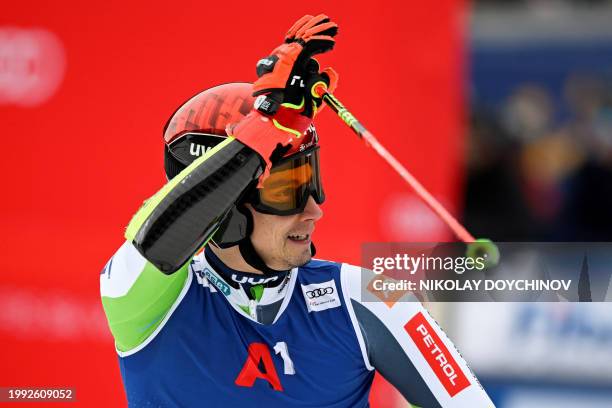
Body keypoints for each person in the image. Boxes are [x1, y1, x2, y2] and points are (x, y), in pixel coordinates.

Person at [100, 15, 494, 408]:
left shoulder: (372, 297)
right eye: (287, 189)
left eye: (310, 182)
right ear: (226, 207)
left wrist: (274, 126)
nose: (313, 210)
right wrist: (267, 126)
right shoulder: (147, 301)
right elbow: (155, 238)